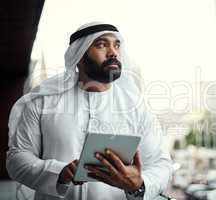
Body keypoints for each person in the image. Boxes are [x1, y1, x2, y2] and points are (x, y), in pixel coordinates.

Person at [6, 22, 173, 200]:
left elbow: (161, 164)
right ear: (79, 54)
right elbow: (17, 159)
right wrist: (59, 172)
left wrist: (139, 184)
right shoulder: (41, 102)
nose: (113, 52)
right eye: (102, 44)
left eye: (116, 45)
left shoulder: (137, 108)